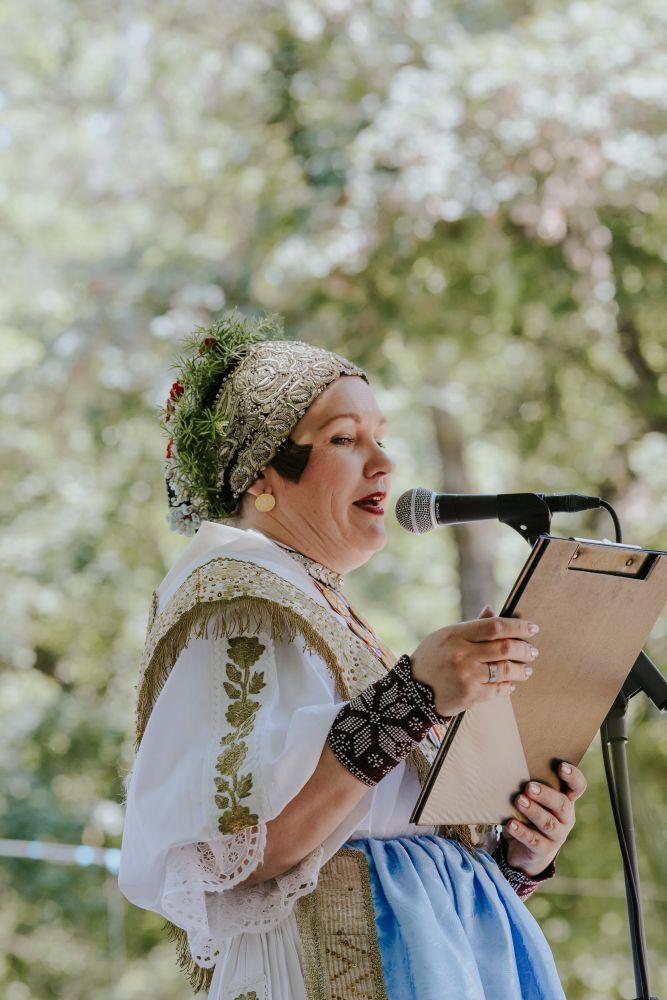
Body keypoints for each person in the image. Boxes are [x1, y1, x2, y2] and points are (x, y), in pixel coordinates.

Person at [119, 312, 586, 1000]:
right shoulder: (237, 593)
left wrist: (515, 853)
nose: (384, 463)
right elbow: (241, 848)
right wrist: (414, 697)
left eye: (380, 437)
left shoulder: (316, 602)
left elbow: (392, 830)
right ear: (261, 468)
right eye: (344, 438)